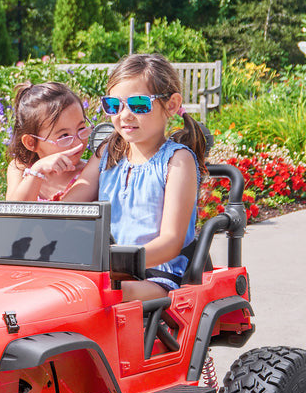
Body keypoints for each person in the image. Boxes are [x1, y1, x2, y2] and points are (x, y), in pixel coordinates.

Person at [63, 53, 207, 301]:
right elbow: (69, 208)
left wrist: (113, 262)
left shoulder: (177, 161)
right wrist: (38, 174)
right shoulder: (108, 153)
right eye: (113, 105)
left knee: (104, 294)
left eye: (139, 104)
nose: (125, 115)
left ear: (171, 105)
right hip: (107, 270)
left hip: (156, 276)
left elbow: (171, 242)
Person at [6, 81, 93, 201]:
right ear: (31, 142)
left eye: (82, 129)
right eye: (64, 136)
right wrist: (37, 171)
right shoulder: (19, 169)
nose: (78, 143)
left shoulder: (88, 172)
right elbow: (13, 214)